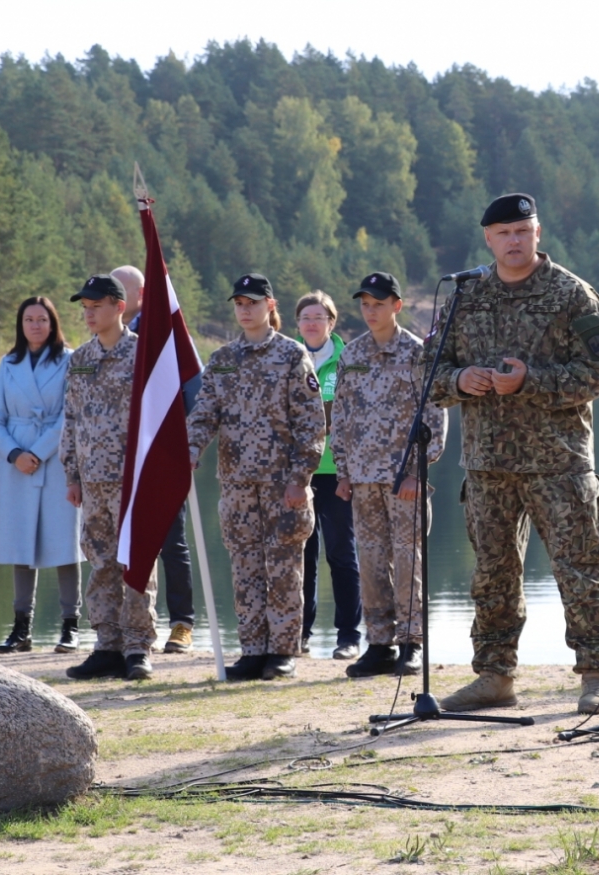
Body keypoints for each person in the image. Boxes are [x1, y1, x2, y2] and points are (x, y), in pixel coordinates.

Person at [430, 193, 599, 714]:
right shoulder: (466, 297)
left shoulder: (571, 294)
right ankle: (495, 676)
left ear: (538, 233)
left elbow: (598, 372)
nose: (513, 241)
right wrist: (459, 379)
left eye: (522, 231)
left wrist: (529, 383)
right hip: (488, 464)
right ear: (488, 239)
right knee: (492, 574)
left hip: (558, 463)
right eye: (503, 233)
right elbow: (429, 374)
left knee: (579, 569)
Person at [187, 273, 326, 681]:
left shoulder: (291, 355)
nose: (245, 310)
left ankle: (282, 651)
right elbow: (204, 414)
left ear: (270, 305)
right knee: (245, 569)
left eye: (252, 302)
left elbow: (311, 424)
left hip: (282, 483)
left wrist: (301, 477)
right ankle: (252, 649)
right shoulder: (222, 359)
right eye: (239, 303)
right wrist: (190, 450)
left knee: (283, 569)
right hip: (237, 484)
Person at [333, 272, 447, 679]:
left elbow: (435, 416)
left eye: (378, 304)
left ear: (396, 306)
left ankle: (411, 643)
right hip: (363, 480)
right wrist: (343, 471)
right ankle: (379, 643)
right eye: (365, 304)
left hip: (404, 481)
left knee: (407, 561)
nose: (370, 311)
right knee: (371, 562)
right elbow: (341, 415)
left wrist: (420, 470)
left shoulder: (417, 353)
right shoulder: (352, 354)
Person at [60, 274, 159, 681]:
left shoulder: (144, 354)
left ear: (120, 307)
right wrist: (72, 473)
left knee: (135, 562)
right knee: (100, 562)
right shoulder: (80, 359)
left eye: (96, 306)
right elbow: (70, 418)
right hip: (93, 479)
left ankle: (137, 646)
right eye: (84, 307)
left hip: (133, 479)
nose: (89, 313)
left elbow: (162, 414)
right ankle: (107, 645)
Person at [0, 296, 83, 654]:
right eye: (29, 319)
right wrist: (14, 454)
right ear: (20, 324)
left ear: (53, 322)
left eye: (42, 319)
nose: (35, 325)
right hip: (16, 466)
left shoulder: (70, 360)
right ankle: (20, 628)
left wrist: (37, 453)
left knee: (64, 544)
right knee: (20, 545)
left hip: (56, 460)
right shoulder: (8, 363)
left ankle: (70, 626)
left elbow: (68, 415)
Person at [112, 264, 199, 655]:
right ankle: (128, 627)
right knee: (126, 542)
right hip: (119, 461)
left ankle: (182, 623)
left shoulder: (164, 336)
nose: (115, 297)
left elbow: (194, 395)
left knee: (171, 541)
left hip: (161, 456)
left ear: (143, 294)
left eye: (121, 290)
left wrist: (181, 447)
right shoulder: (114, 339)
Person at [295, 291, 363, 661]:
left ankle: (349, 636)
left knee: (341, 554)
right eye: (305, 317)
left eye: (318, 316)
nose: (312, 323)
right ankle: (300, 633)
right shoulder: (289, 358)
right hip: (300, 472)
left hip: (338, 471)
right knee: (302, 555)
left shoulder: (349, 359)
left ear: (331, 322)